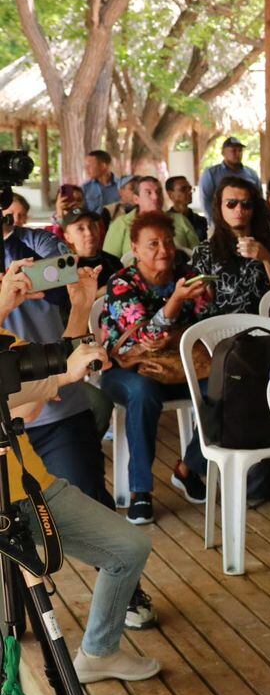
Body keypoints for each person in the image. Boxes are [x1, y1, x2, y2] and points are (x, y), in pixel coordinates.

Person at [6, 333, 162, 682]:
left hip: (31, 487)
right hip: (13, 496)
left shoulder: (6, 339)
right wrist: (58, 378)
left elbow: (28, 410)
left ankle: (99, 652)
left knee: (129, 546)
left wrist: (52, 378)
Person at [98, 212, 212, 524]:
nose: (164, 249)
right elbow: (146, 338)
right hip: (125, 370)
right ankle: (140, 490)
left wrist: (205, 299)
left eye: (168, 242)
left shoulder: (187, 276)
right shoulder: (122, 283)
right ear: (135, 248)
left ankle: (189, 468)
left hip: (180, 368)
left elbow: (207, 324)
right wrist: (176, 300)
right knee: (143, 392)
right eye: (153, 244)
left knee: (225, 384)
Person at [0, 227, 111, 505]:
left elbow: (61, 284)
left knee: (88, 506)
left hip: (59, 414)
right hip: (12, 421)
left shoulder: (35, 241)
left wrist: (81, 307)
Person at [189, 177, 270, 316]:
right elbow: (201, 306)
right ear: (219, 207)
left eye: (246, 204)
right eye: (231, 204)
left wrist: (267, 259)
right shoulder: (204, 251)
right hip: (223, 327)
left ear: (254, 208)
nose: (239, 209)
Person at [105, 177, 199, 258]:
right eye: (148, 193)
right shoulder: (122, 224)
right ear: (136, 199)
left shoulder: (180, 220)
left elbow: (198, 254)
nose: (155, 197)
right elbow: (109, 261)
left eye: (159, 192)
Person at [197, 136, 262, 218]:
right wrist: (213, 221)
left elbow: (259, 199)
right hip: (221, 220)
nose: (238, 154)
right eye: (233, 150)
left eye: (240, 150)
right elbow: (206, 200)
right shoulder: (211, 174)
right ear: (223, 152)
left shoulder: (251, 174)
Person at [60, 205, 119, 291]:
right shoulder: (65, 269)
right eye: (80, 228)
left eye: (92, 226)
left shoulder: (114, 262)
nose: (89, 233)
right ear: (68, 237)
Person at [80, 149, 120, 215]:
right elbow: (79, 211)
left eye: (89, 165)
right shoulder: (85, 188)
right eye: (86, 166)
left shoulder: (122, 186)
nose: (86, 169)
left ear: (103, 166)